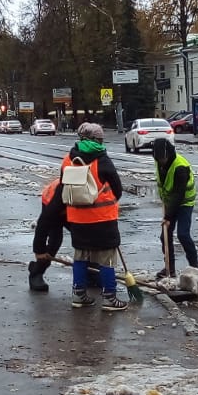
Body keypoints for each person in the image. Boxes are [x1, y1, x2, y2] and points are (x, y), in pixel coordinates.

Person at [60, 122, 126, 311]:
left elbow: (63, 187)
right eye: (101, 138)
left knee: (80, 256)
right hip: (103, 218)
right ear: (97, 140)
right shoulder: (102, 160)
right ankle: (109, 298)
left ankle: (79, 295)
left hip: (77, 219)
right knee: (107, 259)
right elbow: (117, 189)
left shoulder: (68, 159)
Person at [150, 138, 198, 278]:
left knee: (183, 234)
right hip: (169, 202)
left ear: (169, 154)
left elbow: (179, 195)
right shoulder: (159, 162)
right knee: (164, 236)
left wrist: (168, 217)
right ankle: (169, 268)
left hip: (184, 202)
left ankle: (195, 265)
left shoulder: (180, 167)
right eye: (159, 159)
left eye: (163, 158)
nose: (161, 161)